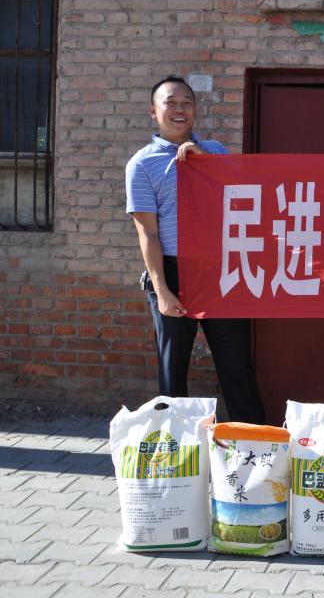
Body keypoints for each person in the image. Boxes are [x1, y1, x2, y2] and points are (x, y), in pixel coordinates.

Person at [125, 76, 265, 423]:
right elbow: (148, 233)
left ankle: (256, 442)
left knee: (237, 366)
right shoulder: (141, 164)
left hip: (219, 270)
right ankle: (177, 445)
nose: (180, 109)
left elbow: (246, 194)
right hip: (172, 270)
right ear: (153, 111)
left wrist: (206, 163)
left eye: (187, 103)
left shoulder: (215, 151)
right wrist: (162, 290)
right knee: (172, 371)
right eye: (171, 102)